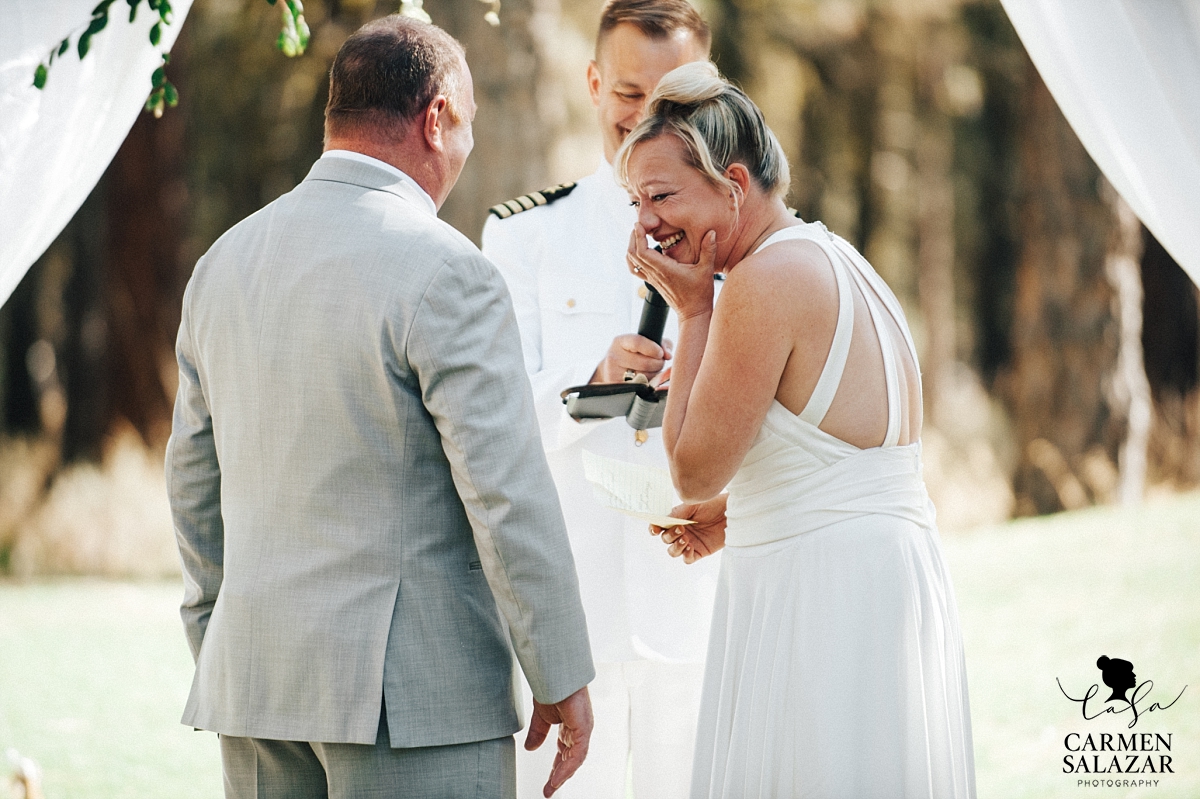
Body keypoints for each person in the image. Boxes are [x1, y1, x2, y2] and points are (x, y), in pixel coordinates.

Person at [165, 16, 595, 799]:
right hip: (416, 700)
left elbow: (193, 485)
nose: (464, 152)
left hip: (255, 680)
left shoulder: (222, 263)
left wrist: (219, 637)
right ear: (436, 118)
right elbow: (505, 492)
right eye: (466, 127)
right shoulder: (446, 270)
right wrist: (559, 669)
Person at [620, 62, 977, 798]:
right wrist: (738, 513)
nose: (645, 224)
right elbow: (848, 460)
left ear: (734, 184)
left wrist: (693, 314)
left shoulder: (762, 281)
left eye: (661, 196)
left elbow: (691, 469)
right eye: (635, 201)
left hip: (819, 601)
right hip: (883, 585)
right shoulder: (837, 256)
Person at [480, 1, 716, 796]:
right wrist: (597, 376)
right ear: (591, 85)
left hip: (697, 610)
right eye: (627, 93)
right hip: (575, 611)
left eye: (673, 99)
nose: (647, 117)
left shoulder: (744, 243)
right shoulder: (524, 236)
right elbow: (499, 419)